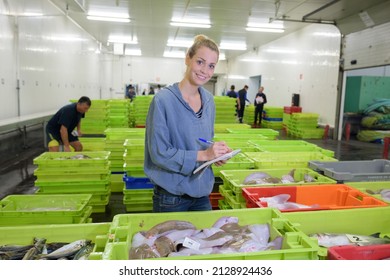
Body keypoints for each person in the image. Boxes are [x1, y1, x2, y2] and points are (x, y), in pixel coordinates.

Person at [144, 34, 231, 213]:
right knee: (172, 243)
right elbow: (159, 154)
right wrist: (204, 155)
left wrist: (215, 154)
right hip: (171, 197)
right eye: (200, 62)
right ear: (188, 59)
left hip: (202, 194)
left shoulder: (208, 101)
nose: (204, 71)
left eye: (211, 66)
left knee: (206, 240)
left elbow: (202, 142)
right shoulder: (163, 101)